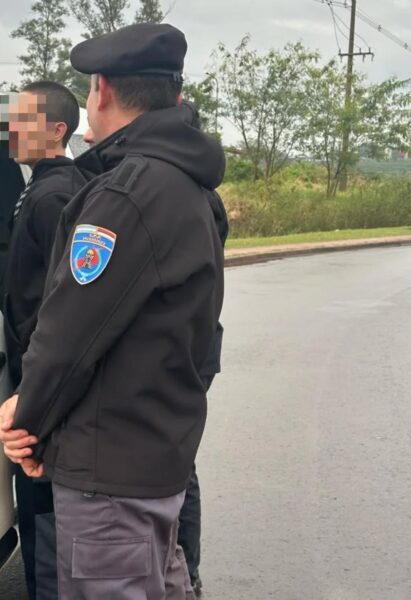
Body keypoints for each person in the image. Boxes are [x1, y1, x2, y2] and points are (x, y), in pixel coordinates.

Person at [0, 23, 225, 599]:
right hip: (154, 455)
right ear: (174, 95)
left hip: (110, 474)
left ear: (101, 90)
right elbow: (202, 341)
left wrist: (27, 421)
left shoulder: (127, 194)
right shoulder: (191, 186)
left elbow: (69, 334)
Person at [2, 81, 86, 600]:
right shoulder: (43, 186)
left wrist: (35, 384)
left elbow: (65, 301)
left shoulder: (56, 196)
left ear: (56, 130)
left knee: (45, 511)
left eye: (22, 120)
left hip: (43, 382)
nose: (10, 129)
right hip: (36, 374)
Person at [175, 100, 229, 596]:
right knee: (178, 459)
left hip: (189, 348)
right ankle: (184, 566)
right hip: (199, 342)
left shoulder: (194, 200)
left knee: (178, 462)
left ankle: (186, 568)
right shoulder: (203, 194)